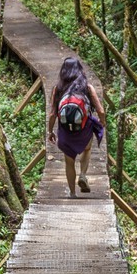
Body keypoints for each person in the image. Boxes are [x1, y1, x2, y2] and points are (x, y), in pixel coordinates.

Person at [47, 56, 105, 198]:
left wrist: (50, 131)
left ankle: (72, 193)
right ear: (79, 70)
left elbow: (53, 114)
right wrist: (101, 123)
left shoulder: (58, 89)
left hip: (65, 131)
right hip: (83, 129)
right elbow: (101, 111)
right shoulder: (87, 87)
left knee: (69, 160)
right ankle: (83, 174)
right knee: (87, 149)